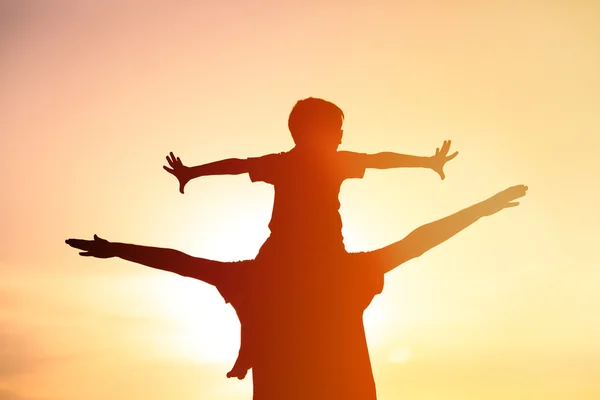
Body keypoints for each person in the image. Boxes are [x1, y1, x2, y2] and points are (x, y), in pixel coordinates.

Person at [66, 184, 527, 400]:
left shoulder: (256, 276)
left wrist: (118, 250)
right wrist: (481, 210)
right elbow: (417, 241)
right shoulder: (345, 271)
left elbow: (182, 262)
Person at [163, 97, 459, 377]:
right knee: (255, 283)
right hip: (302, 251)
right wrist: (426, 163)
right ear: (313, 133)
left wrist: (192, 173)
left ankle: (249, 346)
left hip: (309, 252)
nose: (341, 137)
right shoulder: (323, 162)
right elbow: (379, 160)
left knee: (254, 283)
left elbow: (237, 165)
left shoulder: (287, 162)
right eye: (336, 131)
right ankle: (248, 348)